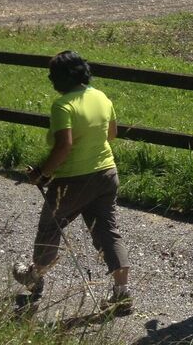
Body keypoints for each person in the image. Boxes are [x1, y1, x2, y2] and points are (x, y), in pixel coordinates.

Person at [13, 50, 133, 314]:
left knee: (50, 226)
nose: (50, 80)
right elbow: (111, 134)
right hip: (107, 173)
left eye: (52, 75)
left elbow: (64, 146)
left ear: (62, 77)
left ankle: (35, 277)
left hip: (73, 180)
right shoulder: (101, 97)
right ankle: (122, 293)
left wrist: (43, 174)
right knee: (107, 231)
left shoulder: (63, 105)